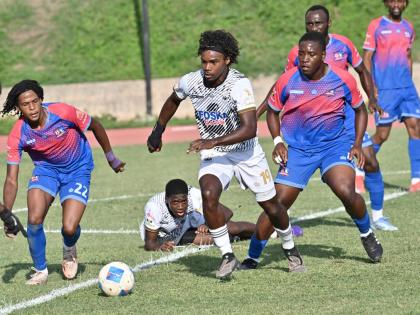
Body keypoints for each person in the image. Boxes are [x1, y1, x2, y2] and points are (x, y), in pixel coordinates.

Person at [147, 30, 304, 278]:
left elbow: (250, 128)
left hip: (246, 154)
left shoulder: (239, 85)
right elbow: (173, 100)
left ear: (227, 60)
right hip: (216, 153)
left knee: (272, 207)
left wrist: (211, 140)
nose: (207, 67)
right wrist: (158, 130)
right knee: (209, 194)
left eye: (214, 62)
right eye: (204, 61)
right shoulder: (191, 81)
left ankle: (290, 248)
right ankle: (227, 256)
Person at [241, 32, 383, 270]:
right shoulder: (288, 80)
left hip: (334, 145)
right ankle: (253, 256)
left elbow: (360, 111)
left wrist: (357, 143)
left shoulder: (342, 79)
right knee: (276, 204)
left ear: (323, 56)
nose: (305, 59)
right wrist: (277, 141)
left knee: (345, 189)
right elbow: (273, 111)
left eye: (311, 54)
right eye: (302, 54)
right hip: (298, 150)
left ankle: (367, 233)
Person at [1, 80, 125, 285]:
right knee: (34, 219)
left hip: (78, 169)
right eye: (25, 104)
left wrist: (111, 157)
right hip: (46, 171)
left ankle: (69, 249)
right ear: (18, 107)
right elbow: (11, 179)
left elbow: (95, 125)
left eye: (34, 101)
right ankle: (40, 269)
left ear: (41, 100)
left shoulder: (63, 112)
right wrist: (8, 215)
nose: (31, 107)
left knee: (69, 228)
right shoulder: (18, 133)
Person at [363, 0, 420, 193]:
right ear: (387, 3)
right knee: (382, 135)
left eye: (401, 0)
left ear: (406, 4)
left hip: (407, 89)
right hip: (385, 90)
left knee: (416, 128)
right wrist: (372, 89)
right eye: (393, 0)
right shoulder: (376, 25)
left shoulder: (408, 27)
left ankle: (417, 179)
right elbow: (367, 59)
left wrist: (409, 81)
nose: (397, 4)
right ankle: (359, 169)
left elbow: (408, 55)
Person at [139, 178, 256, 251]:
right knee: (219, 239)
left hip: (186, 221)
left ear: (187, 198)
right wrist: (159, 247)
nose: (180, 207)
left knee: (231, 227)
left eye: (183, 202)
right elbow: (149, 243)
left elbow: (227, 212)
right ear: (166, 200)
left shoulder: (193, 195)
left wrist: (208, 224)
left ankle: (266, 231)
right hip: (167, 236)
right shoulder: (154, 207)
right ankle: (236, 237)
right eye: (175, 202)